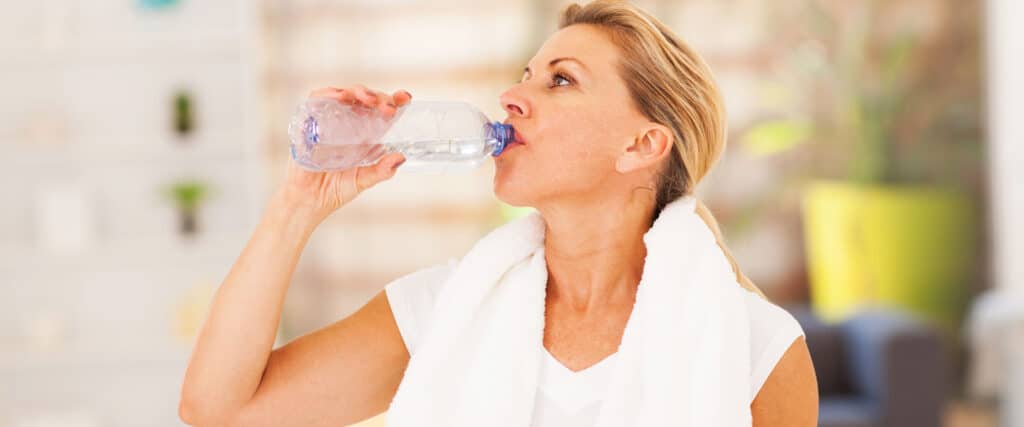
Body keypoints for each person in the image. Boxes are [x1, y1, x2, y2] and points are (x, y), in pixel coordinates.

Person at [179, 1, 818, 425]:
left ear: (641, 145)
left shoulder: (756, 348)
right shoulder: (450, 307)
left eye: (559, 80)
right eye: (526, 74)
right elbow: (219, 410)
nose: (511, 96)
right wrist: (298, 204)